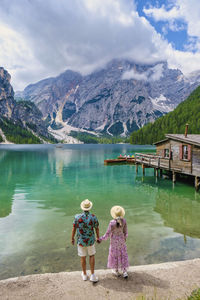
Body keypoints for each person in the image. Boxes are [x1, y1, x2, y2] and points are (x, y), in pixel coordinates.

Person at [71, 199, 100, 282]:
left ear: (82, 208)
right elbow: (97, 228)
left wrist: (72, 238)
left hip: (81, 241)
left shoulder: (77, 217)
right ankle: (93, 275)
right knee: (92, 255)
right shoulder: (93, 217)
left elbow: (74, 229)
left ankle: (84, 274)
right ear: (89, 208)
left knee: (83, 257)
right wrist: (98, 237)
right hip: (90, 240)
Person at [99, 205, 129, 278]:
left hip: (114, 242)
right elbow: (125, 232)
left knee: (114, 255)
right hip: (121, 240)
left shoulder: (112, 223)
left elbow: (107, 234)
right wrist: (124, 238)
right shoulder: (124, 221)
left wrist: (100, 239)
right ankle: (124, 271)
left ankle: (116, 271)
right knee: (123, 254)